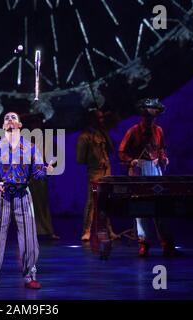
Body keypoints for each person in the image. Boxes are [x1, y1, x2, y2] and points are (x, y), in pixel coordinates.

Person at [0, 112, 54, 290]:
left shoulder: (31, 148)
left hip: (22, 195)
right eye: (6, 119)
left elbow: (37, 173)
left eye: (13, 118)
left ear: (20, 125)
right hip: (1, 195)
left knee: (29, 238)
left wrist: (47, 171)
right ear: (3, 126)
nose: (10, 120)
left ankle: (30, 276)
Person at [118, 98, 181, 257]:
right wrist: (131, 161)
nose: (149, 119)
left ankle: (167, 244)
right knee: (140, 208)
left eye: (152, 117)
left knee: (160, 206)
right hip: (139, 168)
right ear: (142, 116)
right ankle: (143, 243)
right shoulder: (133, 131)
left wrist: (163, 158)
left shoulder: (159, 130)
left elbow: (161, 148)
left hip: (154, 168)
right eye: (147, 116)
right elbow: (121, 151)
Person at [76, 109, 118, 241]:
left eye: (102, 118)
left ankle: (109, 230)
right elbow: (80, 159)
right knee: (92, 202)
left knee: (106, 201)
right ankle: (87, 231)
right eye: (99, 118)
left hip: (107, 170)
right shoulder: (85, 136)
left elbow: (111, 149)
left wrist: (105, 134)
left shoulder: (102, 133)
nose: (102, 121)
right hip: (95, 171)